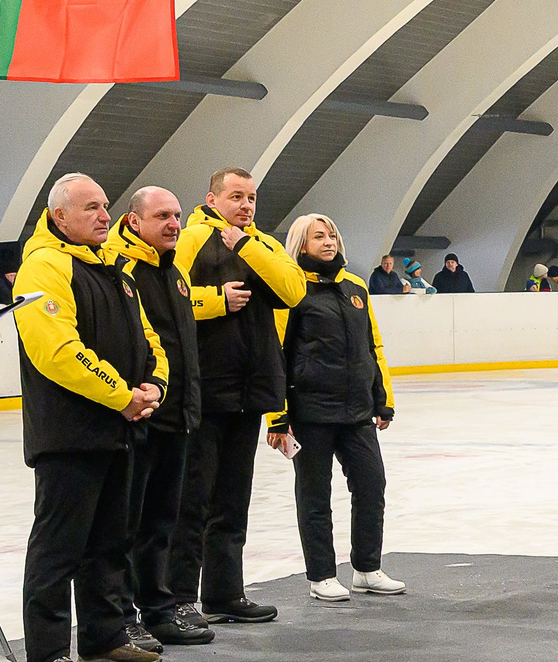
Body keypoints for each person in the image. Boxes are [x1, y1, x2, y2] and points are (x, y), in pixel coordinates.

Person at [14, 173, 169, 662]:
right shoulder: (43, 268)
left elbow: (149, 339)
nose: (105, 216)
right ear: (59, 217)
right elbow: (57, 352)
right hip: (69, 435)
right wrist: (122, 395)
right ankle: (47, 652)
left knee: (111, 541)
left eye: (105, 206)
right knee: (60, 546)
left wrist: (154, 387)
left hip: (119, 430)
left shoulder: (115, 270)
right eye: (90, 208)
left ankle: (105, 637)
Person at [172, 166, 306, 624]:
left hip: (250, 390)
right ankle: (179, 598)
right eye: (236, 197)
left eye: (251, 198)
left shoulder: (263, 244)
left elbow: (292, 291)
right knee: (192, 500)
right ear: (212, 200)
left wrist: (246, 244)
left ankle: (225, 593)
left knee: (233, 499)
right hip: (204, 389)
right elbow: (165, 303)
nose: (246, 206)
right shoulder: (190, 238)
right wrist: (214, 301)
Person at [268, 213, 406, 601]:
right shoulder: (291, 291)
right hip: (310, 413)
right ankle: (321, 575)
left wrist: (383, 401)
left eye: (332, 235)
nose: (329, 242)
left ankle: (366, 568)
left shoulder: (355, 287)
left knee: (371, 485)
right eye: (318, 236)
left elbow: (371, 347)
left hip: (357, 411)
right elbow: (276, 355)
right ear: (301, 245)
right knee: (315, 496)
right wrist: (278, 416)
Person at [105, 186, 215, 648]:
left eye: (176, 216)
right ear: (133, 222)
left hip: (179, 416)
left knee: (161, 523)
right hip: (144, 416)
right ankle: (124, 614)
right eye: (162, 217)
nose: (174, 224)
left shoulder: (175, 274)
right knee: (127, 525)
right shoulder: (122, 270)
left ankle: (158, 607)